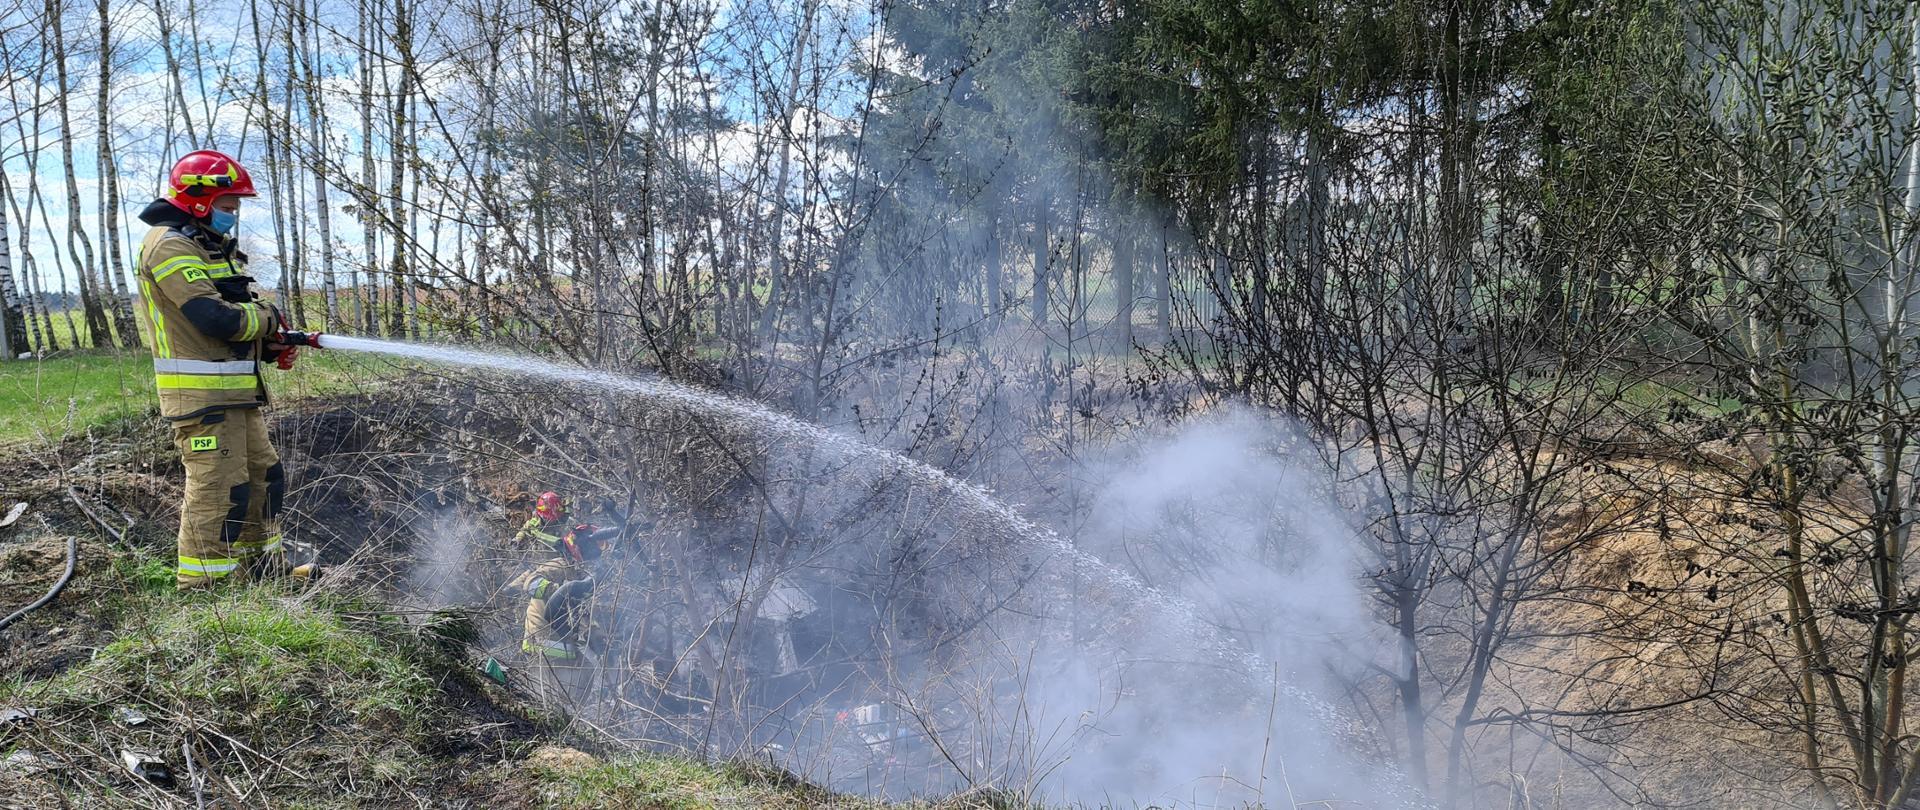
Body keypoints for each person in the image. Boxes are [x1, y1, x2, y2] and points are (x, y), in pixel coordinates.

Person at [133, 150, 312, 589]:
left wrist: (267, 345)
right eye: (228, 205)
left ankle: (264, 574)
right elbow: (215, 319)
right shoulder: (170, 244)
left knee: (262, 479)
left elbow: (231, 316)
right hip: (203, 400)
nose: (233, 214)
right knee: (219, 489)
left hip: (235, 393)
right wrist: (270, 318)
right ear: (199, 200)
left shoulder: (207, 244)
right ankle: (205, 592)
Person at [509, 525, 609, 703]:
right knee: (575, 678)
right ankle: (559, 709)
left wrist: (595, 632)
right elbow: (531, 583)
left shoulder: (577, 575)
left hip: (557, 642)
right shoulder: (560, 565)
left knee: (584, 672)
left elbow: (583, 612)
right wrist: (561, 591)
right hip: (543, 640)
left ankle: (563, 709)